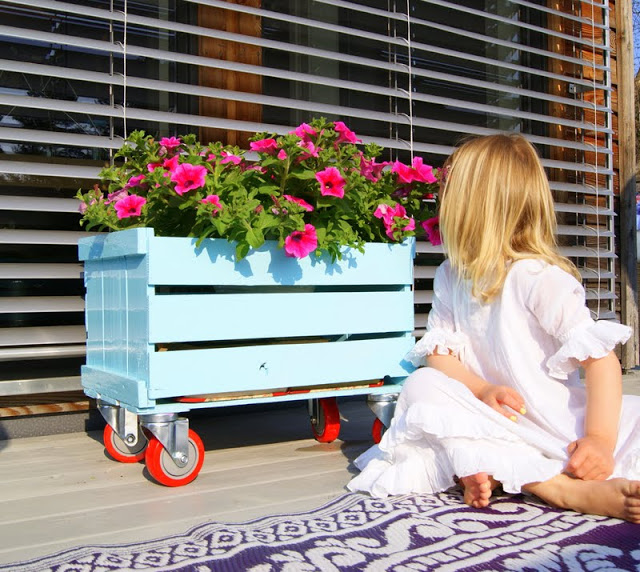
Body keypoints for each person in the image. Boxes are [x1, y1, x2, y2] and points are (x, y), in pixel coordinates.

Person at [348, 134, 640, 523]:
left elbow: (601, 363)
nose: (442, 198)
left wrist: (600, 441)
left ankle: (505, 471)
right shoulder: (451, 275)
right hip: (496, 423)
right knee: (421, 386)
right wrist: (482, 389)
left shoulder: (537, 277)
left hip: (560, 429)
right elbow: (439, 357)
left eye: (449, 190)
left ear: (476, 205)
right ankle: (559, 489)